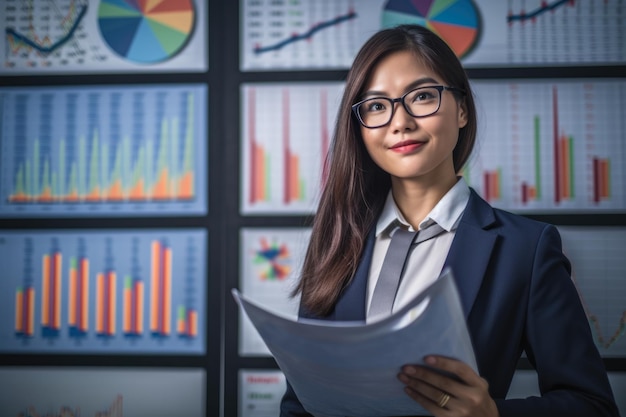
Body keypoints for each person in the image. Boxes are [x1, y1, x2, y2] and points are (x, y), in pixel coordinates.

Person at [280, 24, 619, 417]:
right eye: (376, 105)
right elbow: (299, 405)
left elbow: (592, 406)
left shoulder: (526, 249)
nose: (400, 121)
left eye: (422, 96)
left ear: (461, 109)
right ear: (358, 128)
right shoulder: (338, 241)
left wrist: (492, 414)